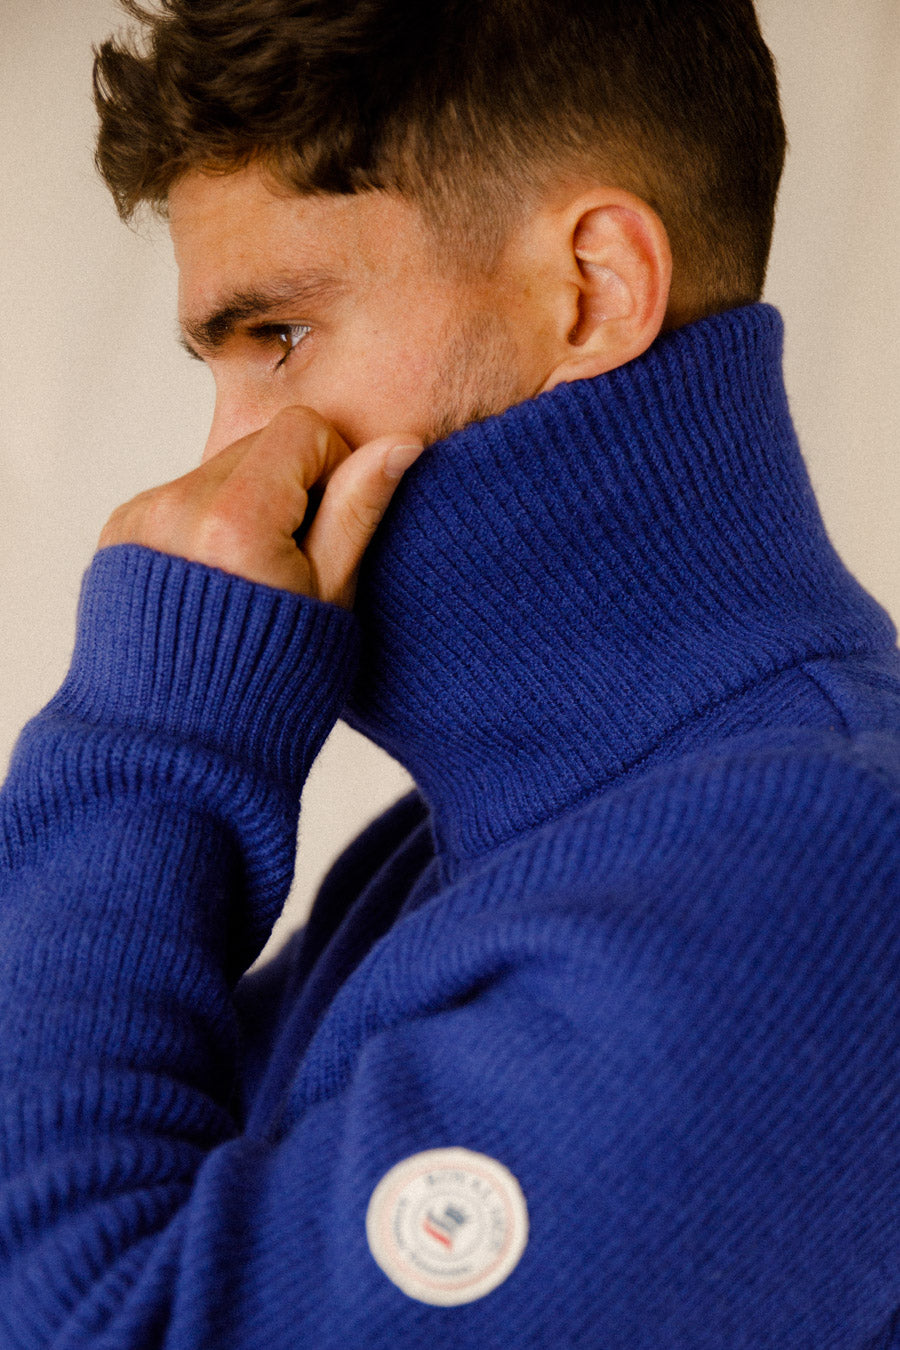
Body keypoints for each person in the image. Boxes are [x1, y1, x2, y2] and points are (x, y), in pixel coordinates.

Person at [0, 0, 898, 1344]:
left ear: (593, 288)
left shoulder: (818, 880)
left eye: (279, 335)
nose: (224, 454)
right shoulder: (444, 861)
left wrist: (150, 743)